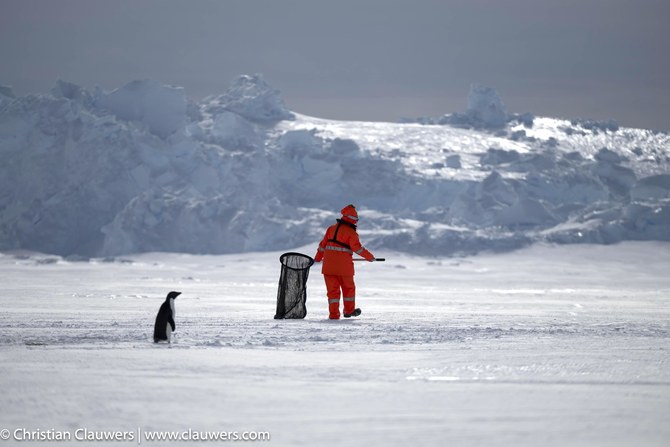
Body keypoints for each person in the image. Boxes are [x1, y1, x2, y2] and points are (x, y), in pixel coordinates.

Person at [314, 204, 375, 319]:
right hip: (344, 268)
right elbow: (357, 248)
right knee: (348, 289)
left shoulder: (331, 228)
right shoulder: (351, 233)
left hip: (328, 268)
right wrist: (370, 257)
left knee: (333, 293)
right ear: (353, 219)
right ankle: (348, 311)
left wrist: (317, 258)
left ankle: (333, 315)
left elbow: (322, 246)